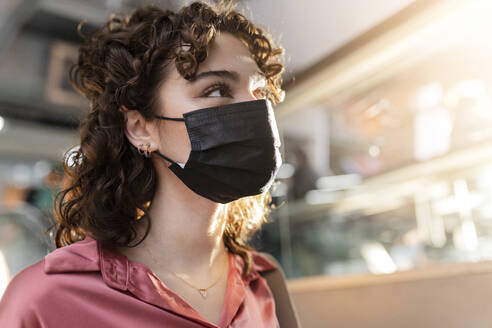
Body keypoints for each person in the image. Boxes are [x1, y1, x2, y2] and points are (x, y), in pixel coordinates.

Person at [0, 1, 301, 327]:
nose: (254, 110)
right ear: (141, 128)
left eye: (258, 90)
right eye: (216, 90)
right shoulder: (46, 299)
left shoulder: (264, 281)